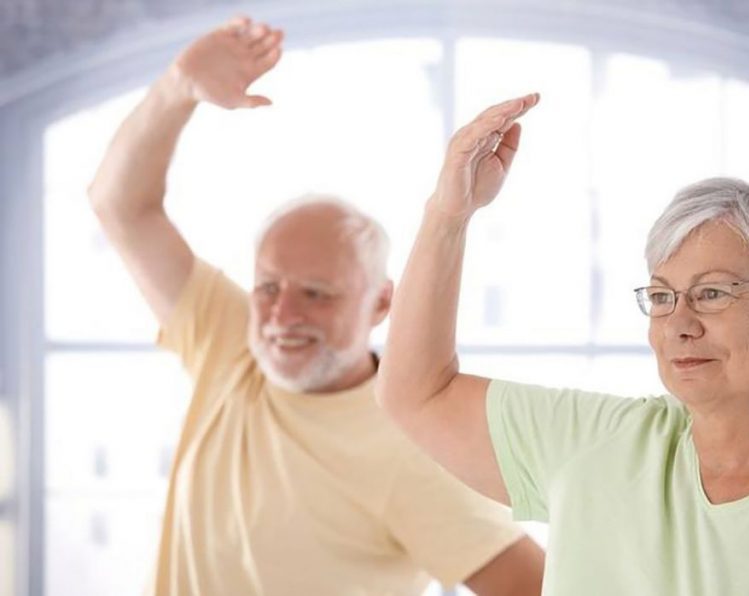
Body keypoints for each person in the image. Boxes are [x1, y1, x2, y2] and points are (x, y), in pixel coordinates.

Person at [375, 94, 749, 595]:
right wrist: (449, 215)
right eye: (662, 296)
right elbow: (415, 391)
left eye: (713, 293)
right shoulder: (592, 446)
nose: (678, 325)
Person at [88, 18, 544, 596]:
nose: (281, 318)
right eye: (269, 287)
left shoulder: (416, 452)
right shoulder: (231, 342)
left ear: (381, 302)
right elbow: (119, 205)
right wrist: (178, 87)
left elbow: (542, 587)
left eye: (317, 294)